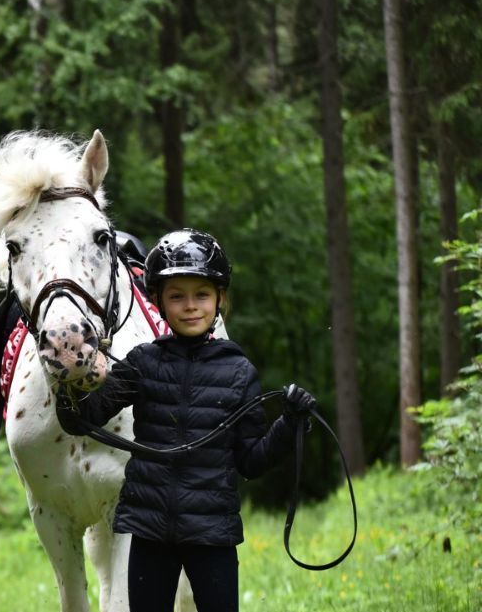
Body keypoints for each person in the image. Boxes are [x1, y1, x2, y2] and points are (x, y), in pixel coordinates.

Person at [56, 228, 318, 612]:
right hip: (149, 534)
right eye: (177, 296)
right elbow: (81, 421)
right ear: (159, 302)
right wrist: (68, 377)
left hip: (212, 536)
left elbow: (251, 461)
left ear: (220, 299)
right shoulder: (142, 362)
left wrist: (292, 422)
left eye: (202, 295)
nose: (190, 306)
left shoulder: (239, 371)